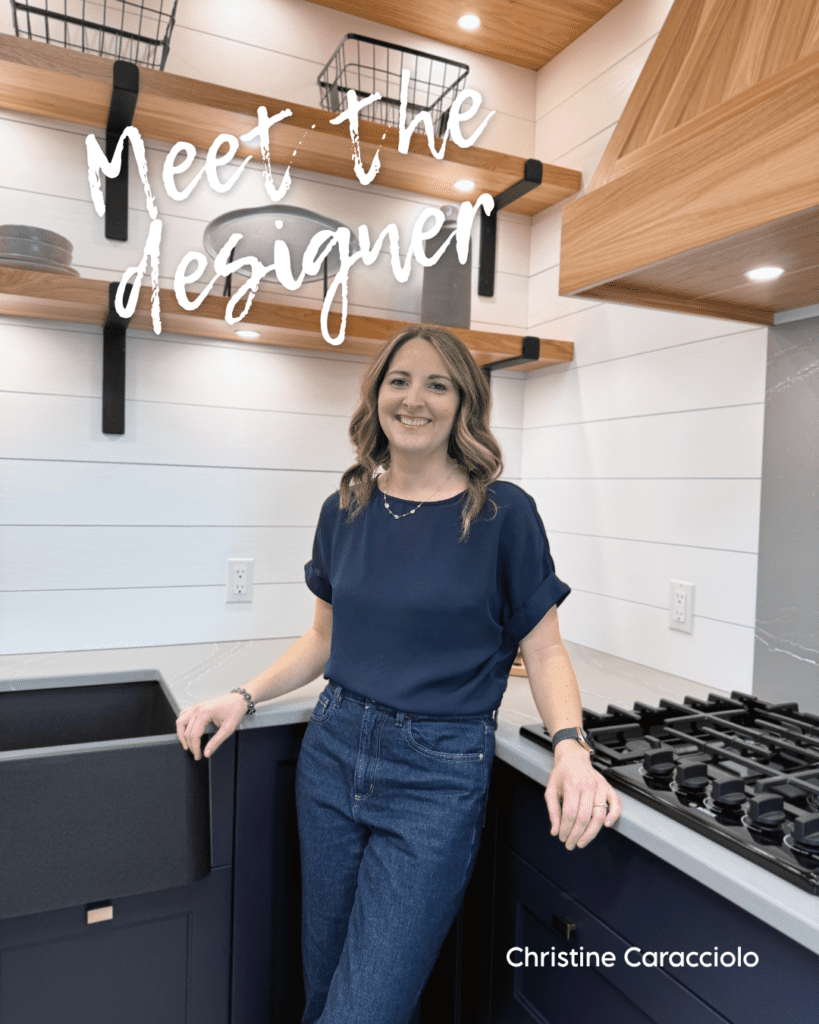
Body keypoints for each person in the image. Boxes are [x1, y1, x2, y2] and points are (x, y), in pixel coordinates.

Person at [175, 324, 621, 1024]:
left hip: (436, 776)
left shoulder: (504, 514)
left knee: (364, 1008)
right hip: (330, 754)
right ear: (377, 396)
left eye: (437, 384)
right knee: (325, 989)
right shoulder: (344, 507)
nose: (415, 399)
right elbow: (323, 637)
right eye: (399, 381)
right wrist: (242, 695)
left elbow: (544, 651)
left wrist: (571, 746)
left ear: (462, 403)